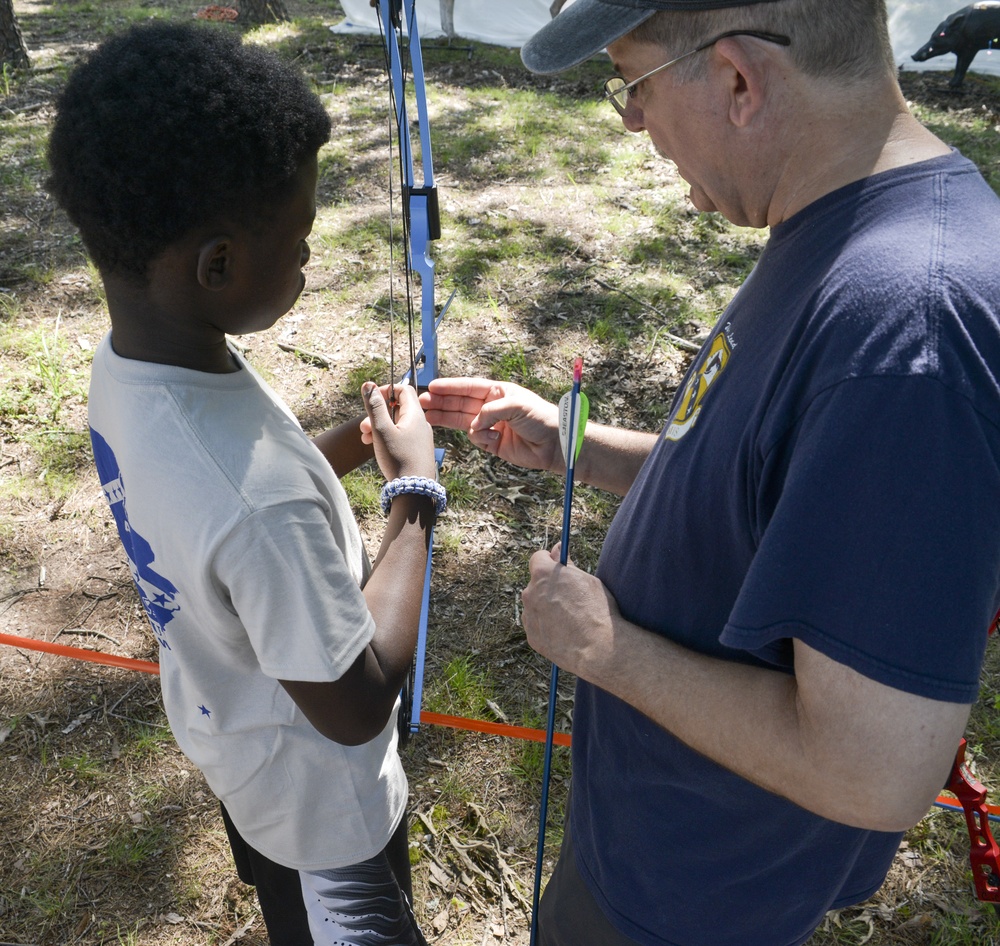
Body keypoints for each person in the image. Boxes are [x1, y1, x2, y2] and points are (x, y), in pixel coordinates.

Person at [419, 1, 1000, 944]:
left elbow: (873, 770)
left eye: (633, 87)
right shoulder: (841, 225)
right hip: (668, 842)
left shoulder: (908, 334)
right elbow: (777, 493)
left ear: (737, 79)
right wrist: (581, 447)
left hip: (694, 896)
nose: (634, 123)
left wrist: (603, 648)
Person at [46, 22, 440, 946]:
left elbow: (229, 496)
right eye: (299, 238)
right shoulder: (255, 503)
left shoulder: (136, 367)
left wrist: (355, 441)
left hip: (249, 756)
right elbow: (352, 703)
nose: (307, 257)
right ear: (217, 264)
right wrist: (416, 497)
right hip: (324, 814)